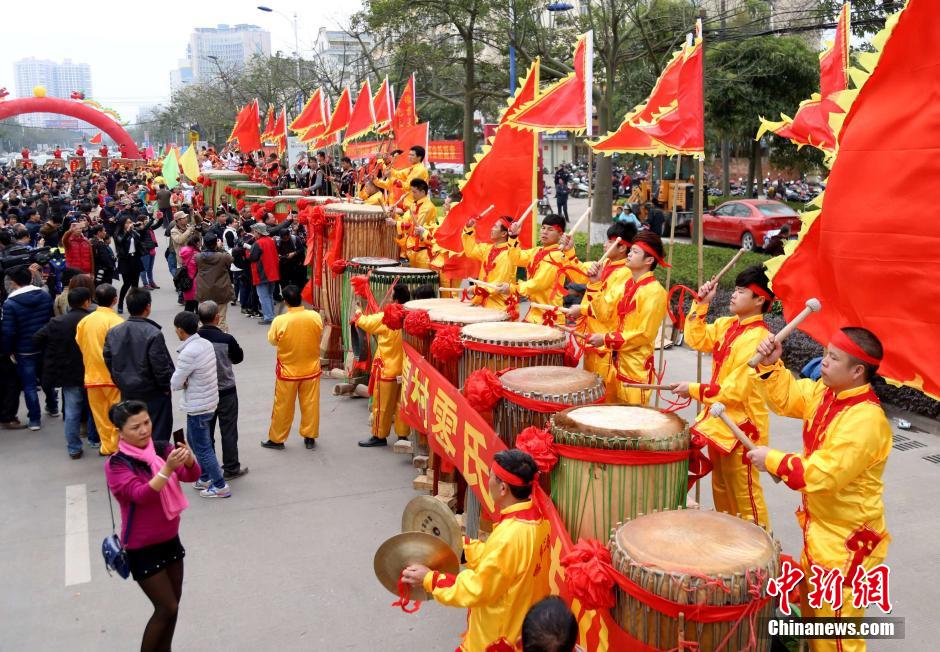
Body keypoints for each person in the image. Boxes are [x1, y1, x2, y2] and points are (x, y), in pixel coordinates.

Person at [747, 327, 891, 652]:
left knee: (835, 638)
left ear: (858, 371)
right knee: (815, 628)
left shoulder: (866, 420)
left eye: (833, 358)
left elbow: (825, 472)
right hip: (819, 532)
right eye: (825, 354)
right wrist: (771, 365)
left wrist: (773, 459)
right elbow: (787, 398)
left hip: (848, 544)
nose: (823, 362)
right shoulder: (825, 395)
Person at [402, 449, 551, 651]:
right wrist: (462, 547)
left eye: (491, 476)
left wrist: (430, 579)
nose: (487, 481)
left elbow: (478, 589)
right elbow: (502, 564)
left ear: (503, 489)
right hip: (521, 627)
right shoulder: (538, 518)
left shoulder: (509, 536)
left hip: (498, 637)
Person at [670, 265, 774, 527]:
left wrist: (693, 389)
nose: (734, 295)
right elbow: (697, 339)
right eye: (735, 289)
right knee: (722, 491)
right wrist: (701, 304)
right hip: (719, 422)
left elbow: (734, 391)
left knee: (745, 496)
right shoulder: (727, 325)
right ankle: (733, 549)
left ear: (760, 299)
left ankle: (761, 552)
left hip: (743, 428)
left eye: (741, 291)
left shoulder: (759, 339)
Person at [104, 400, 200, 652]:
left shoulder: (160, 448)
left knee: (173, 607)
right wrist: (168, 468)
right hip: (141, 547)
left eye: (146, 422)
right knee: (165, 608)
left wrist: (188, 460)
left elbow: (191, 476)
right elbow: (141, 495)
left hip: (170, 539)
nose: (144, 430)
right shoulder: (117, 464)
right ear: (120, 432)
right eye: (135, 427)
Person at [586, 230, 668, 404]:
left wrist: (606, 339)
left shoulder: (655, 292)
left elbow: (644, 334)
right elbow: (604, 314)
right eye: (631, 250)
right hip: (616, 367)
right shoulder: (628, 285)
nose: (629, 254)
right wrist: (595, 284)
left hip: (635, 372)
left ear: (649, 260)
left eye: (636, 252)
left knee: (630, 427)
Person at [566, 222, 637, 397]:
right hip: (592, 335)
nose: (605, 244)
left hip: (606, 340)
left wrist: (582, 309)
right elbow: (580, 273)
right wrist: (569, 251)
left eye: (609, 241)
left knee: (603, 392)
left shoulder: (626, 274)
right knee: (590, 386)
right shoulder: (606, 262)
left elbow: (607, 309)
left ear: (622, 248)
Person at [103, 288, 175, 448]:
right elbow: (160, 366)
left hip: (128, 391)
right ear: (148, 307)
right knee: (157, 435)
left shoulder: (114, 332)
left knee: (133, 432)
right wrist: (165, 387)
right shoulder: (153, 333)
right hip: (153, 393)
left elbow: (108, 359)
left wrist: (119, 380)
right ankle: (155, 467)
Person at [169, 311, 229, 498]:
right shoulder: (205, 344)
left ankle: (220, 486)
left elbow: (176, 382)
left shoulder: (189, 351)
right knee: (195, 441)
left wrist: (184, 381)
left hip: (198, 406)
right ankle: (204, 476)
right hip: (208, 400)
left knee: (202, 448)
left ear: (180, 330)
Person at [32, 286, 97, 457]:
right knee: (93, 408)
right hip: (91, 371)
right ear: (87, 302)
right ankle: (94, 439)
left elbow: (37, 338)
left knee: (71, 411)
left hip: (68, 373)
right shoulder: (92, 320)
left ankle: (74, 447)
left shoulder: (57, 322)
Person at [261, 284, 322, 451]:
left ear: (286, 302)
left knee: (283, 407)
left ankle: (277, 438)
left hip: (288, 371)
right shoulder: (314, 316)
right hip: (311, 369)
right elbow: (319, 333)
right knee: (310, 404)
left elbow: (272, 341)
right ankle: (310, 437)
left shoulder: (280, 321)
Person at [355, 285, 411, 448]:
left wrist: (358, 310)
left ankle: (379, 436)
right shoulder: (411, 316)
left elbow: (364, 322)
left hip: (386, 369)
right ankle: (402, 436)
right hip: (405, 369)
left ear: (394, 299)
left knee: (382, 406)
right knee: (402, 404)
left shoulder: (386, 316)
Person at [197, 300, 248, 481]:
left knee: (205, 433)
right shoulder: (227, 339)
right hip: (226, 391)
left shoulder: (194, 339)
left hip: (203, 393)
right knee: (228, 430)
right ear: (217, 318)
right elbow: (238, 358)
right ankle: (231, 467)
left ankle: (208, 469)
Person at [1, 265, 55, 430]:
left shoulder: (10, 304)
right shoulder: (45, 296)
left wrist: (7, 351)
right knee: (47, 378)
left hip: (24, 349)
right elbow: (50, 320)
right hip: (44, 345)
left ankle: (34, 420)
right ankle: (53, 406)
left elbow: (9, 331)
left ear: (14, 283)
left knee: (29, 384)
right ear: (31, 278)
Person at [75, 283, 124, 454]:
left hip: (92, 376)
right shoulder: (117, 322)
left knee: (101, 416)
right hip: (112, 378)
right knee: (119, 416)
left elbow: (80, 343)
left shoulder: (84, 322)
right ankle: (118, 446)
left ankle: (108, 446)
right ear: (115, 300)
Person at [508, 214, 577, 324]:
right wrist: (513, 237)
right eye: (543, 227)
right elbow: (516, 258)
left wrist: (514, 288)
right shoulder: (537, 251)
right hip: (534, 313)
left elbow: (539, 283)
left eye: (550, 229)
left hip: (549, 317)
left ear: (561, 235)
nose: (545, 232)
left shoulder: (558, 256)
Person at [461, 214, 520, 311]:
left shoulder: (509, 254)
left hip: (500, 306)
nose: (491, 229)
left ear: (504, 234)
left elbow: (498, 284)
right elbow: (470, 250)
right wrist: (469, 228)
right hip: (484, 302)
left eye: (495, 226)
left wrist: (476, 289)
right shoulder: (488, 249)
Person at [193, 233, 235, 331]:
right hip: (221, 291)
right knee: (220, 318)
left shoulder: (198, 257)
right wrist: (221, 248)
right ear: (216, 243)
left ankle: (203, 337)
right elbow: (231, 259)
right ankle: (221, 338)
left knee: (203, 318)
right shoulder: (223, 256)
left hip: (204, 291)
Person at [391, 178, 436, 268]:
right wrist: (394, 215)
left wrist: (396, 223)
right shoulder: (414, 205)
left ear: (423, 192)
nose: (412, 194)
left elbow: (416, 227)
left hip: (424, 250)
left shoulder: (427, 207)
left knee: (423, 279)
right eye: (411, 191)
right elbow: (406, 220)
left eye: (414, 192)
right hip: (413, 249)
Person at [247, 222, 280, 325]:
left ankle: (268, 317)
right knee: (269, 295)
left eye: (254, 232)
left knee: (263, 296)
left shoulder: (258, 243)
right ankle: (271, 315)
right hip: (272, 272)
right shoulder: (271, 240)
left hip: (262, 273)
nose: (253, 234)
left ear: (257, 232)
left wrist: (248, 251)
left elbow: (252, 257)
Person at [113, 216, 144, 314]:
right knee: (127, 283)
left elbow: (141, 237)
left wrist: (148, 223)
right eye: (127, 223)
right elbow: (120, 241)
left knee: (135, 285)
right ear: (122, 224)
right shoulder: (118, 234)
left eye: (130, 222)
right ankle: (120, 303)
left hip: (135, 258)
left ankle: (134, 305)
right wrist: (127, 232)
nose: (129, 224)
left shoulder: (133, 232)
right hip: (125, 260)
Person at [178, 234, 201, 312]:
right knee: (194, 304)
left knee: (188, 304)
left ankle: (187, 321)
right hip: (195, 280)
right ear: (197, 243)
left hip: (186, 280)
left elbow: (181, 262)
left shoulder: (183, 250)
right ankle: (191, 321)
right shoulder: (196, 254)